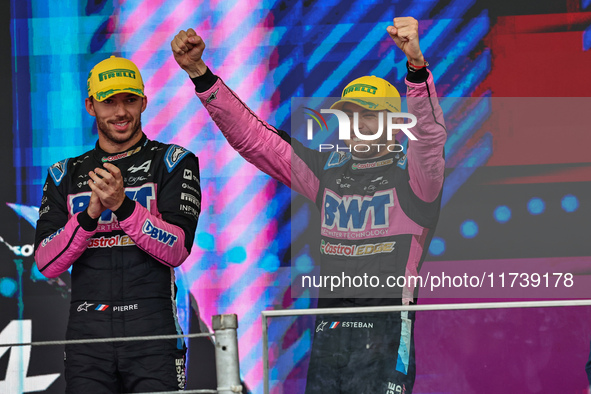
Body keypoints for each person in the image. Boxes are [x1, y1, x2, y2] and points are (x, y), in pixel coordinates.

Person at [172, 16, 445, 393]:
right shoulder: (327, 172)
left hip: (385, 341)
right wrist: (202, 76)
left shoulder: (416, 181)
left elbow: (430, 140)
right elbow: (256, 139)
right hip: (329, 339)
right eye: (349, 115)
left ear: (393, 124)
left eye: (368, 115)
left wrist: (416, 69)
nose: (356, 124)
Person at [34, 56, 201, 393]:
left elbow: (177, 249)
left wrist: (123, 206)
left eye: (129, 100)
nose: (121, 112)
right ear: (90, 105)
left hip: (153, 332)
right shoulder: (63, 174)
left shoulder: (173, 161)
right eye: (109, 101)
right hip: (87, 336)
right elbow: (46, 262)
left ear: (143, 101)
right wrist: (88, 216)